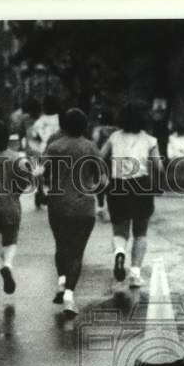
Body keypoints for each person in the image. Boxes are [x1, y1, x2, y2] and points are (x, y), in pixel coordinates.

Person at [43, 108, 106, 318]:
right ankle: (69, 296)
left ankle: (61, 282)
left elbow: (45, 177)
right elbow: (102, 179)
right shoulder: (91, 148)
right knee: (77, 252)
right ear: (84, 126)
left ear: (63, 126)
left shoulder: (53, 147)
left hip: (58, 204)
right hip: (84, 206)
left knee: (61, 246)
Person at [100, 99, 162, 288]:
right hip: (141, 185)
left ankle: (120, 252)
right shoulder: (150, 140)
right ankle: (135, 273)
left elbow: (99, 157)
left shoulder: (114, 137)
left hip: (117, 185)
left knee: (120, 229)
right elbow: (158, 166)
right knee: (140, 232)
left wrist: (105, 175)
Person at [0, 120, 30, 308]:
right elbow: (26, 179)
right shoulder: (16, 157)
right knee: (10, 241)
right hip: (11, 205)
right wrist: (14, 192)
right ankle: (8, 266)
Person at [28, 95, 61, 210]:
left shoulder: (38, 123)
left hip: (43, 152)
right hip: (60, 152)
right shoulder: (61, 120)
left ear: (44, 107)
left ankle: (40, 190)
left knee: (38, 169)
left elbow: (33, 140)